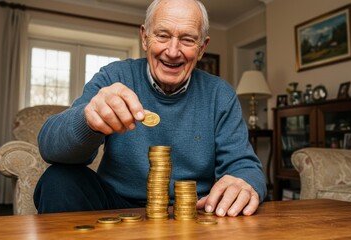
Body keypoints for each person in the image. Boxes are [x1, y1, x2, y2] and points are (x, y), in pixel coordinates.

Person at [34, 0, 267, 217]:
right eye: (163, 36)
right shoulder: (113, 77)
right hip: (117, 206)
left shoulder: (220, 94)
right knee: (58, 179)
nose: (173, 51)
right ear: (145, 37)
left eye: (187, 39)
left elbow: (245, 165)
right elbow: (49, 147)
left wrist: (244, 182)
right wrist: (88, 120)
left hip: (192, 213)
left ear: (202, 48)